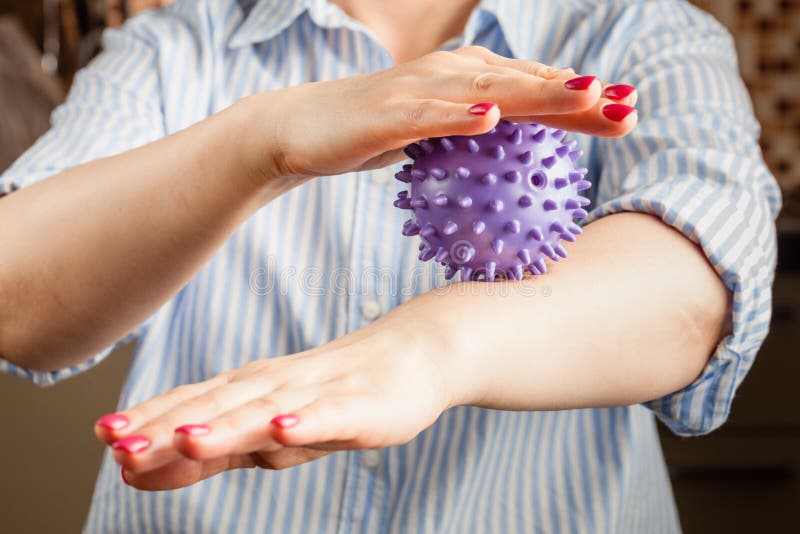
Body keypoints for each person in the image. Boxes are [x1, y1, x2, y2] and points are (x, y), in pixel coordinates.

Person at [0, 0, 780, 532]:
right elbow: (17, 299)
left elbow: (696, 278)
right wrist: (259, 141)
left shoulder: (644, 28)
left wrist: (433, 348)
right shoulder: (178, 41)